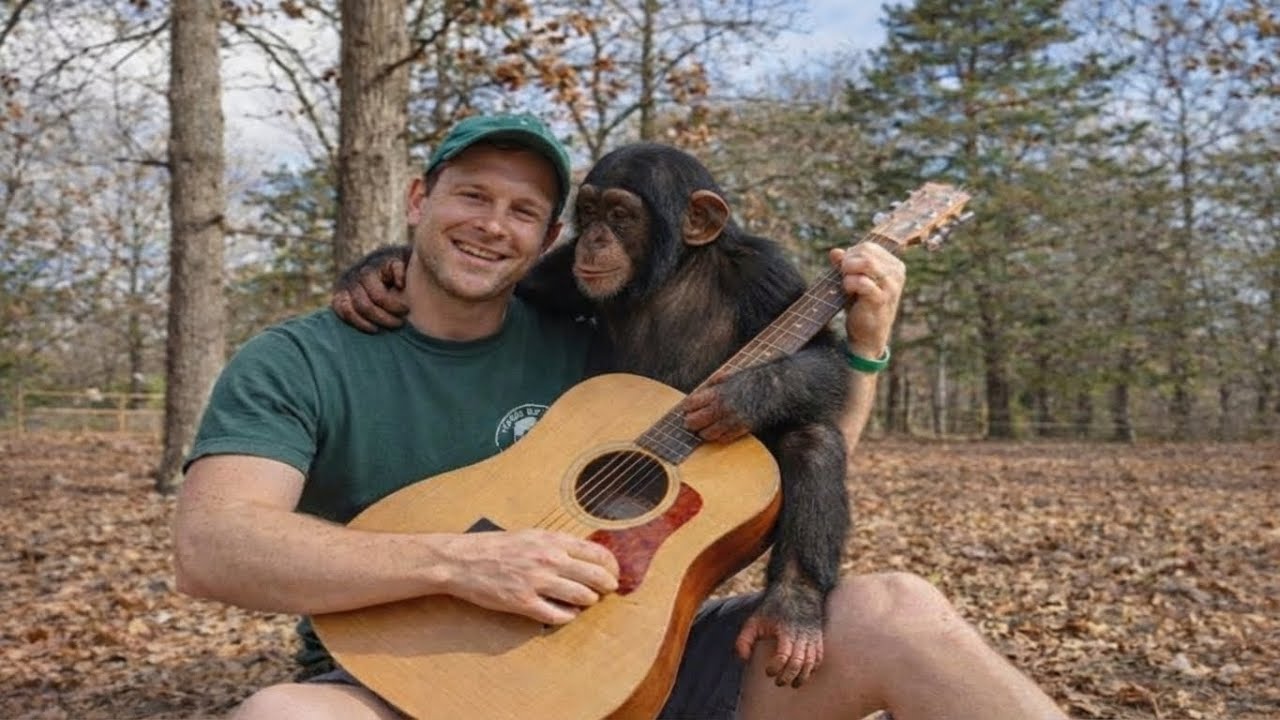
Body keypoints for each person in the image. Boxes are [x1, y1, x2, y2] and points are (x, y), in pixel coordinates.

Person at [174, 113, 1067, 720]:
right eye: (471, 196)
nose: (495, 226)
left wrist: (864, 346)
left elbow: (792, 458)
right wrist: (461, 561)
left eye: (526, 211)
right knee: (282, 716)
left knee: (902, 610)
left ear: (544, 236)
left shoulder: (606, 339)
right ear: (418, 201)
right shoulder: (305, 356)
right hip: (411, 677)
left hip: (631, 662)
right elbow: (213, 549)